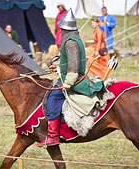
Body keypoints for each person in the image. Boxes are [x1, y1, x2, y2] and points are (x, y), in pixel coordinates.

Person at [37, 9, 109, 147]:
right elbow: (68, 61)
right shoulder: (73, 40)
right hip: (70, 76)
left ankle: (53, 136)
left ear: (65, 29)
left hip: (74, 80)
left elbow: (74, 67)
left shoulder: (70, 42)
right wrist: (57, 66)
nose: (61, 31)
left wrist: (68, 83)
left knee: (53, 97)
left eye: (61, 29)